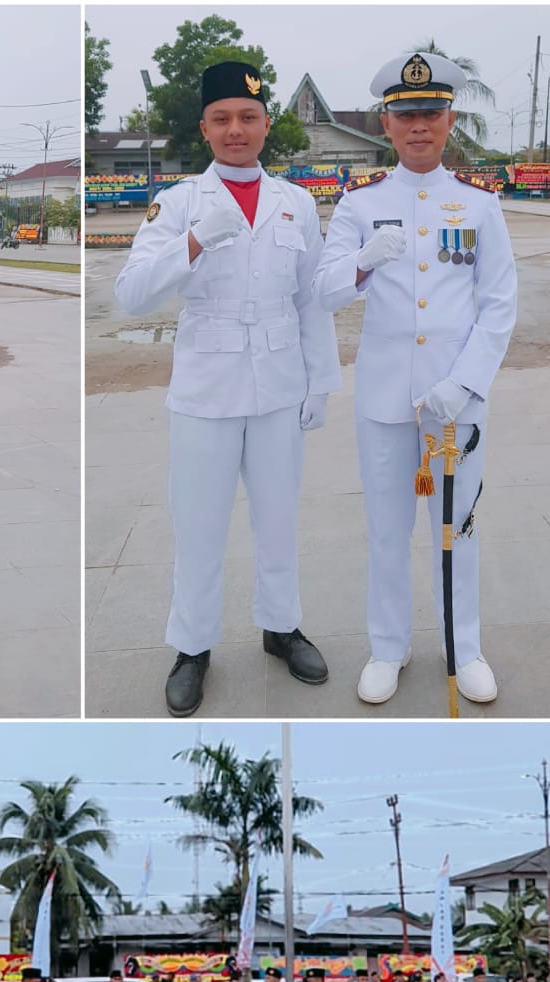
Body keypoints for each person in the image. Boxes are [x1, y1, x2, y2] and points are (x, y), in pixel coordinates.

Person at [114, 61, 341, 717]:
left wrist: (320, 383)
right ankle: (192, 646)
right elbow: (130, 295)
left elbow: (309, 302)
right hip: (206, 389)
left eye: (247, 117)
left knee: (278, 519)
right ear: (205, 128)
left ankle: (281, 627)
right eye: (222, 118)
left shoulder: (295, 203)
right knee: (200, 527)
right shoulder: (181, 201)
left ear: (267, 124)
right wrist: (189, 244)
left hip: (277, 384)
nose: (235, 129)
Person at [315, 53, 517, 705]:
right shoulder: (360, 203)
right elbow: (322, 293)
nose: (419, 125)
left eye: (430, 112)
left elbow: (499, 302)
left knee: (457, 528)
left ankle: (465, 648)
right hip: (383, 398)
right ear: (387, 123)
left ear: (449, 119)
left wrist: (468, 381)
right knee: (386, 528)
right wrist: (364, 265)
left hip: (457, 399)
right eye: (406, 114)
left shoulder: (479, 206)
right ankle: (387, 648)